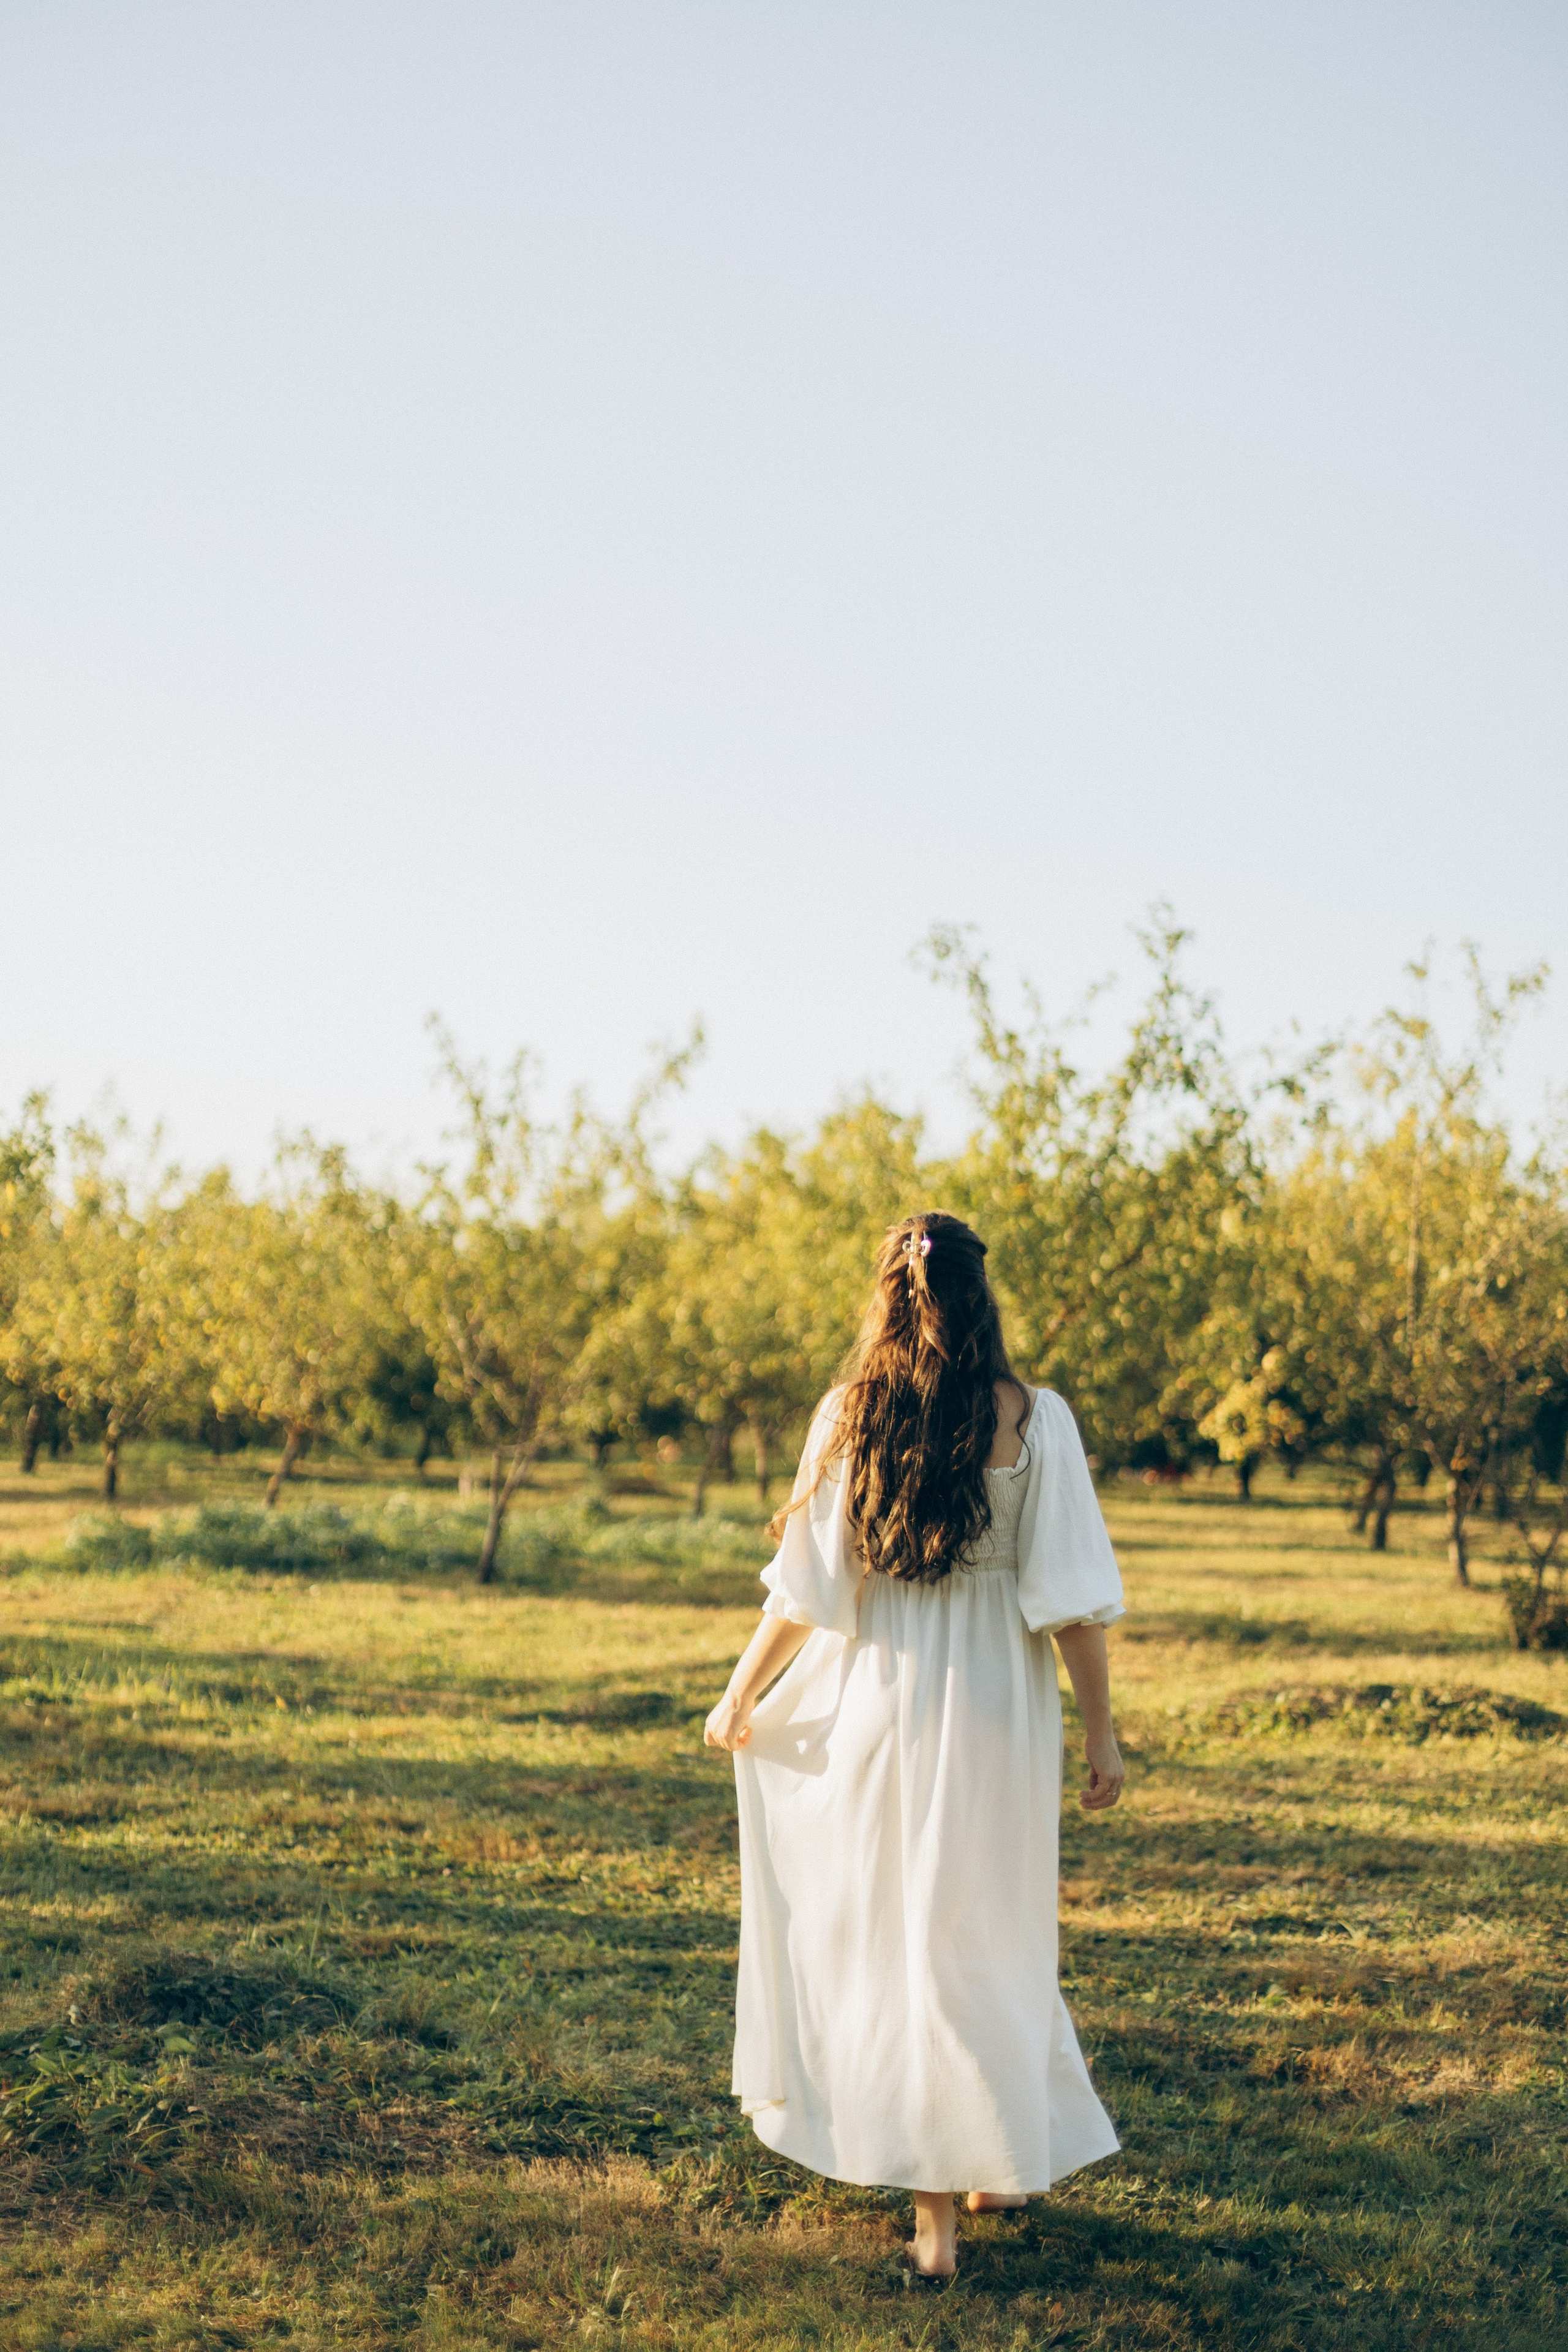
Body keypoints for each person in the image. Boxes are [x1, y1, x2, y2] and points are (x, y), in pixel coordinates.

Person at [704, 1210, 1127, 2280]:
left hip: (881, 1695)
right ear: (983, 1299)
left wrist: (742, 1689)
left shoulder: (851, 1415)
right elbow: (1072, 1602)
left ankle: (955, 2202)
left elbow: (809, 1590)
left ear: (887, 1299)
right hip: (998, 1704)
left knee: (904, 1932)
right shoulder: (1037, 1421)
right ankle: (969, 2185)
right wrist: (1101, 1734)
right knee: (987, 1925)